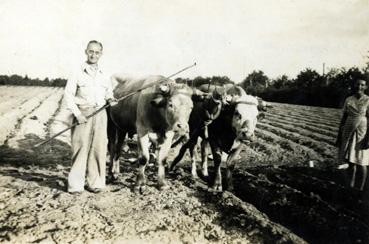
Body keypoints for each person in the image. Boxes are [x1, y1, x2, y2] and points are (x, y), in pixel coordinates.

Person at [64, 40, 117, 194]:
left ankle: (95, 183)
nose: (94, 55)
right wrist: (78, 114)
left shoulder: (104, 74)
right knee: (80, 149)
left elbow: (109, 92)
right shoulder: (77, 71)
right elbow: (68, 95)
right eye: (91, 51)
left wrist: (110, 99)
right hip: (83, 114)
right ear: (86, 52)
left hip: (100, 114)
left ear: (101, 54)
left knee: (98, 149)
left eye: (97, 52)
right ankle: (75, 186)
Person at [336, 79, 369, 191]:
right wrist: (339, 135)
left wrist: (367, 139)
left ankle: (360, 188)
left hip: (362, 132)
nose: (359, 86)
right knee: (350, 160)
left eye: (362, 85)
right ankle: (351, 187)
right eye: (357, 84)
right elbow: (344, 117)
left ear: (365, 87)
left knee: (361, 161)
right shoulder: (349, 99)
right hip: (348, 129)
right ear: (354, 86)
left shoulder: (368, 100)